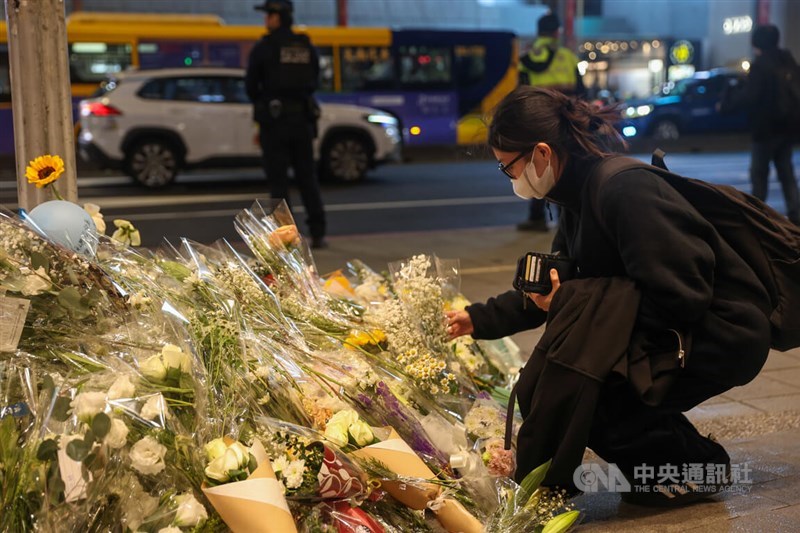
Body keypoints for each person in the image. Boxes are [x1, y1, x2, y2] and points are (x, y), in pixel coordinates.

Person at [446, 86, 773, 506]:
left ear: (542, 153)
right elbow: (557, 282)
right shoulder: (575, 196)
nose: (511, 179)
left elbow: (683, 295)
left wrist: (575, 302)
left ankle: (697, 468)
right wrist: (477, 318)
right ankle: (662, 465)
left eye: (508, 167)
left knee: (591, 393)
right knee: (569, 383)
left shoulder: (623, 190)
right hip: (668, 327)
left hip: (717, 333)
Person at [246, 0, 328, 248]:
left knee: (278, 183)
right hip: (302, 121)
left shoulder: (264, 48)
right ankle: (318, 231)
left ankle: (287, 238)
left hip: (275, 123)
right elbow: (315, 81)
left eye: (269, 15)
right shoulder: (306, 47)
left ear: (277, 18)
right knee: (307, 178)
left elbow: (251, 87)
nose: (266, 20)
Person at [720, 24, 800, 225]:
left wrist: (728, 103)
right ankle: (796, 215)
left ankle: (758, 219)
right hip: (788, 128)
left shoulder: (761, 65)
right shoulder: (788, 61)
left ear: (758, 42)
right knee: (787, 173)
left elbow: (750, 96)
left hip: (764, 129)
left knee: (759, 175)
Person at [516, 12, 585, 233]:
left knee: (539, 167)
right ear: (557, 32)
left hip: (539, 120)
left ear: (539, 32)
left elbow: (522, 93)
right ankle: (568, 222)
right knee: (565, 168)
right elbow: (583, 93)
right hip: (566, 121)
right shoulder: (567, 57)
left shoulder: (527, 59)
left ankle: (537, 219)